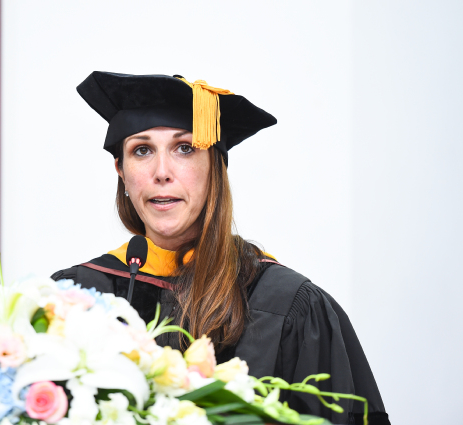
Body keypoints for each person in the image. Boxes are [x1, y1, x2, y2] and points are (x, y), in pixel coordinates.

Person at [51, 71, 390, 425]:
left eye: (185, 148)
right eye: (142, 150)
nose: (161, 172)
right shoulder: (76, 298)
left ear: (215, 167)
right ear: (121, 170)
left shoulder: (287, 305)